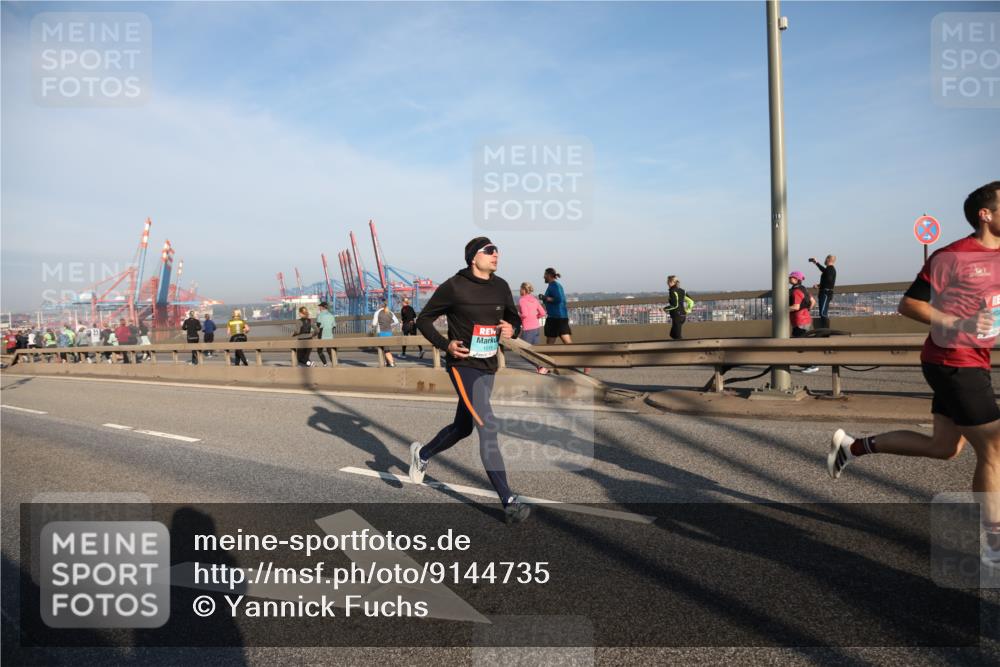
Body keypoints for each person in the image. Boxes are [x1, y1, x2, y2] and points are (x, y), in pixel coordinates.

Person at [827, 181, 1000, 563]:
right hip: (952, 360)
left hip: (976, 360)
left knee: (945, 448)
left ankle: (853, 447)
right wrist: (961, 324)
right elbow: (910, 305)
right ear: (985, 215)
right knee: (994, 449)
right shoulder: (952, 256)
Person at [410, 236, 530, 524]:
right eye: (489, 251)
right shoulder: (454, 286)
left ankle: (422, 453)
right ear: (473, 257)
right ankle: (508, 500)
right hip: (463, 366)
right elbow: (423, 319)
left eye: (498, 250)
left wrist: (511, 328)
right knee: (487, 425)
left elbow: (515, 321)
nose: (496, 254)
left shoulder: (501, 286)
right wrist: (445, 344)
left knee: (463, 427)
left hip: (488, 365)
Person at [788, 271, 819, 373]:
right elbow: (813, 302)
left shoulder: (795, 291)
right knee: (805, 342)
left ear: (796, 279)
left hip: (799, 320)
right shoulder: (804, 289)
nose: (789, 279)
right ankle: (809, 364)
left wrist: (782, 309)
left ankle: (812, 365)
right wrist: (807, 309)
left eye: (791, 277)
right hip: (806, 318)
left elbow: (796, 306)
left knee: (801, 343)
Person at [518, 282, 548, 374]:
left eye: (520, 289)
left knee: (522, 351)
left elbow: (525, 314)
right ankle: (541, 367)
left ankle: (542, 366)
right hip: (536, 328)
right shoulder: (534, 299)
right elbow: (543, 313)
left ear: (523, 290)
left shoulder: (522, 300)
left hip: (527, 328)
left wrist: (518, 315)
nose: (520, 290)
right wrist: (535, 317)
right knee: (535, 351)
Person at [542, 268, 572, 345]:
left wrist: (545, 298)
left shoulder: (554, 286)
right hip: (558, 317)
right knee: (554, 341)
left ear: (549, 275)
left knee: (550, 342)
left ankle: (548, 356)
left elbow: (559, 299)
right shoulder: (555, 285)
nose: (543, 276)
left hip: (556, 318)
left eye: (545, 275)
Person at [809, 254, 837, 329]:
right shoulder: (829, 269)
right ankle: (824, 331)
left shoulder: (830, 269)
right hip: (825, 293)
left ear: (828, 259)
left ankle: (825, 331)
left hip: (825, 293)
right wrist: (816, 263)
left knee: (823, 313)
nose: (824, 260)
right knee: (823, 312)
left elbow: (829, 281)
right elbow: (825, 272)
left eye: (825, 258)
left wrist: (819, 286)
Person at [371, 301, 400, 367]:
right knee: (386, 347)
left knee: (384, 349)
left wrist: (372, 326)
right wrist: (390, 325)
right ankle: (387, 362)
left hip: (381, 332)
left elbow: (374, 324)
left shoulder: (377, 313)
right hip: (389, 332)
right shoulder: (390, 312)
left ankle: (392, 362)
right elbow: (396, 322)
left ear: (379, 306)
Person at [664, 275, 688, 340]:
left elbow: (675, 305)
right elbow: (691, 301)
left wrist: (665, 309)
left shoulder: (672, 291)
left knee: (677, 337)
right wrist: (687, 310)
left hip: (677, 315)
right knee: (672, 334)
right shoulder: (682, 291)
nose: (667, 283)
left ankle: (682, 348)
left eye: (668, 281)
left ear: (672, 282)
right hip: (683, 315)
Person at [315, 301, 336, 367]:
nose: (319, 308)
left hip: (322, 336)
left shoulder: (320, 315)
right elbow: (334, 326)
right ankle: (334, 364)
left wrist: (314, 333)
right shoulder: (331, 315)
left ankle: (325, 364)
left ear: (322, 307)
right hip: (330, 336)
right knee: (330, 351)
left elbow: (318, 326)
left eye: (320, 307)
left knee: (319, 351)